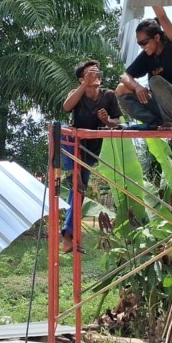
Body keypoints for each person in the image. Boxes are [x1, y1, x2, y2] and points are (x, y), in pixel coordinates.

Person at [61, 60, 121, 253]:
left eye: (97, 72)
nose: (95, 75)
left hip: (90, 150)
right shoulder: (76, 93)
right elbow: (66, 107)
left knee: (77, 192)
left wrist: (106, 121)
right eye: (89, 73)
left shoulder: (108, 95)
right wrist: (84, 85)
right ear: (81, 78)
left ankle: (68, 236)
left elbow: (116, 123)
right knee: (60, 129)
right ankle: (72, 170)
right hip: (74, 147)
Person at [116, 6, 172, 130]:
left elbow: (162, 16)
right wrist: (137, 87)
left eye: (144, 42)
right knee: (121, 89)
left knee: (155, 81)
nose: (142, 47)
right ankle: (155, 121)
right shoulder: (146, 56)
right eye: (139, 44)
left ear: (157, 38)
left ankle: (170, 123)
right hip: (161, 109)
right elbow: (125, 76)